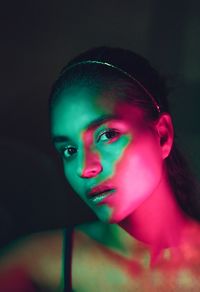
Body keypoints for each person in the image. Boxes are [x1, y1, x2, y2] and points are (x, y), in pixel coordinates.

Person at [1, 46, 200, 291]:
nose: (84, 169)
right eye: (69, 151)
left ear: (162, 136)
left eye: (107, 135)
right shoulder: (33, 269)